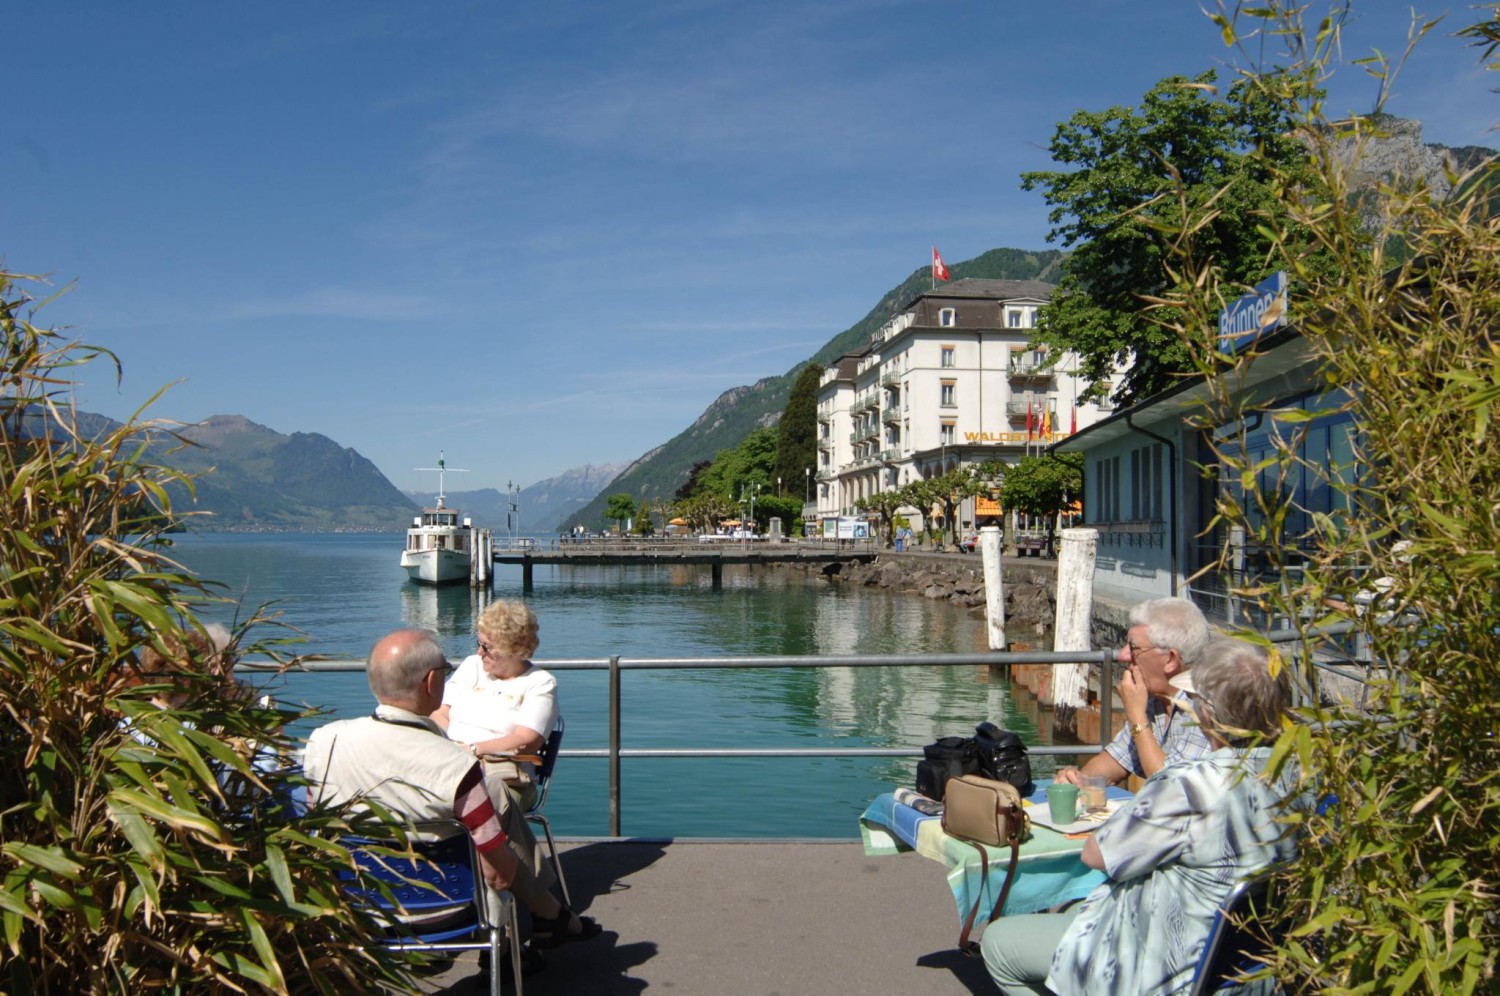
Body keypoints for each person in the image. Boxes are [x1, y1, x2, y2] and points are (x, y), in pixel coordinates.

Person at [982, 638, 1302, 995]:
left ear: (1208, 713)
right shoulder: (1303, 778)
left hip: (1164, 964)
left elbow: (1097, 855)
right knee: (1077, 911)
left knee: (998, 944)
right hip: (1248, 966)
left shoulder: (1189, 785)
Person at [302, 628, 598, 947]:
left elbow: (312, 832)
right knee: (494, 844)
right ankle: (531, 932)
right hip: (448, 908)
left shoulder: (323, 743)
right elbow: (499, 876)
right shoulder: (460, 771)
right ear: (431, 683)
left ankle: (550, 917)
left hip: (355, 907)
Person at [1055, 597, 1212, 788]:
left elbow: (1173, 790)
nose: (1122, 656)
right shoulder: (1155, 699)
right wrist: (1076, 780)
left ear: (1170, 659)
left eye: (1133, 648)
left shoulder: (1207, 707)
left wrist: (1137, 717)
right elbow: (1114, 761)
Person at [431, 599, 557, 809]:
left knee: (476, 803)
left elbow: (525, 741)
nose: (480, 652)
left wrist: (473, 749)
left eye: (486, 647)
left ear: (515, 648)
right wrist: (456, 749)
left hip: (505, 777)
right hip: (453, 766)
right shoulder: (472, 666)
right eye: (479, 644)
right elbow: (438, 713)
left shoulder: (540, 683)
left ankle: (489, 842)